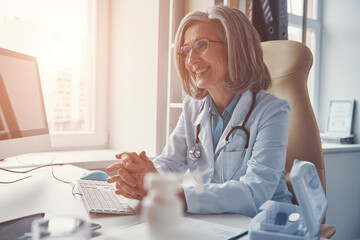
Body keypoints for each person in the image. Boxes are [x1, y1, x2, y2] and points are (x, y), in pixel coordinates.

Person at [106, 4, 292, 217]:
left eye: (201, 45)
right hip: (215, 221)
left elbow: (255, 192)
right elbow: (170, 162)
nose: (191, 60)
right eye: (185, 50)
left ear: (235, 46)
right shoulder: (192, 106)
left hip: (264, 223)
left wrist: (176, 195)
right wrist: (140, 175)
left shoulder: (272, 111)